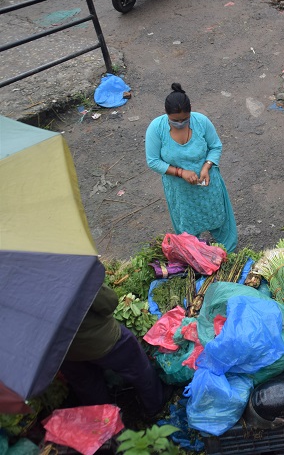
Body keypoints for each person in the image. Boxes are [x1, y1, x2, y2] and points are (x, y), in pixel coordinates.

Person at [145, 83, 238, 251]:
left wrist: (207, 166)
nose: (180, 123)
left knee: (218, 218)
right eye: (175, 120)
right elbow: (153, 161)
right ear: (167, 115)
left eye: (184, 119)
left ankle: (228, 253)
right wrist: (180, 172)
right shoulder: (156, 129)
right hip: (180, 191)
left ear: (190, 112)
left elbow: (215, 146)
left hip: (208, 185)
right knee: (187, 229)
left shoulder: (201, 121)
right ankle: (196, 257)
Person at [59, 285, 165, 417]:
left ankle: (108, 428)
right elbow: (108, 303)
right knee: (138, 368)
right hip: (102, 340)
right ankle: (154, 408)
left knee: (89, 388)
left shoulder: (27, 285)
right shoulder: (67, 275)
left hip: (64, 352)